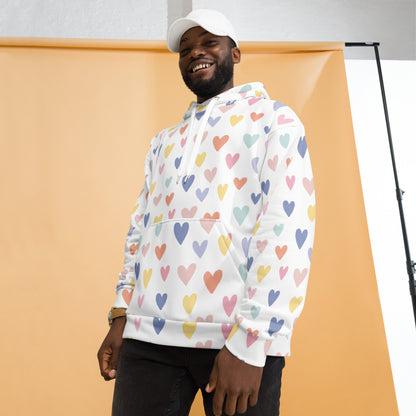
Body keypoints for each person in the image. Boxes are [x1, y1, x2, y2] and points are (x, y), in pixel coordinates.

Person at [98, 8, 315, 416]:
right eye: (185, 49)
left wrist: (252, 340)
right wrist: (122, 312)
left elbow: (287, 230)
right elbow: (141, 230)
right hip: (149, 337)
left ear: (235, 53)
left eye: (209, 42)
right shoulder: (163, 142)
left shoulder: (275, 121)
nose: (196, 52)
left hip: (235, 338)